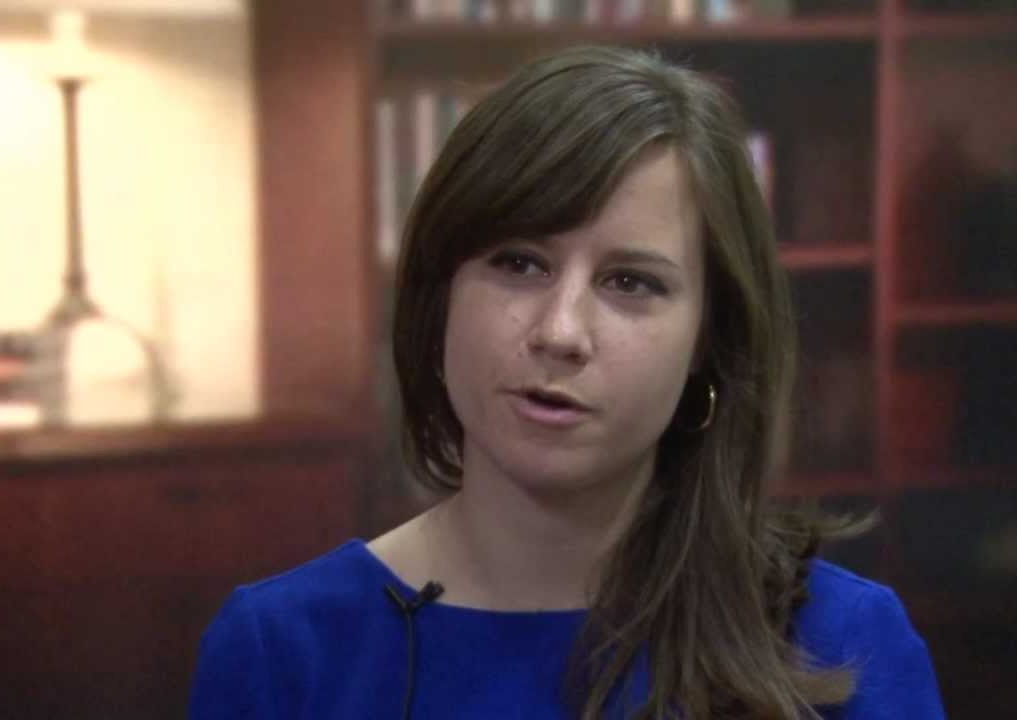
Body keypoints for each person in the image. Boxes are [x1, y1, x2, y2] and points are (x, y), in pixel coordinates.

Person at [189, 46, 945, 720]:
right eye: (519, 263)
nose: (559, 331)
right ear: (439, 295)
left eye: (630, 282)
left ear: (707, 340)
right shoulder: (281, 648)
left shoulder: (840, 642)